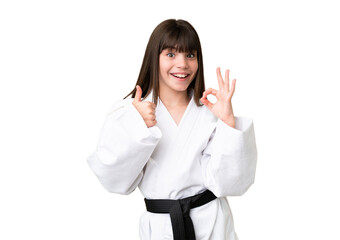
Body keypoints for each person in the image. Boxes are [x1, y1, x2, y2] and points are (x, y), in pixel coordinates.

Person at [87, 19, 258, 240]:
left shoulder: (209, 112)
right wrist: (137, 126)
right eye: (170, 54)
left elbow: (233, 183)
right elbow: (114, 180)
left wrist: (227, 122)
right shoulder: (130, 111)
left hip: (212, 224)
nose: (182, 64)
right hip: (161, 227)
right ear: (154, 58)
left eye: (190, 55)